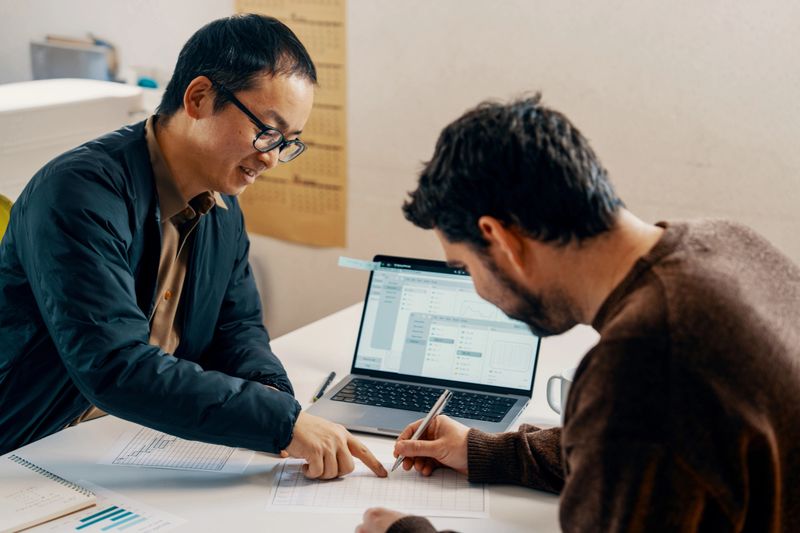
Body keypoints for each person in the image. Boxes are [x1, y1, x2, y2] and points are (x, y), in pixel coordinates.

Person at [357, 95, 800, 532]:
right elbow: (635, 448)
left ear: (500, 239)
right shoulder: (729, 241)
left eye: (465, 267)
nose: (475, 288)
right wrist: (484, 451)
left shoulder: (647, 356)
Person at [0, 14, 386, 481]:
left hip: (130, 437)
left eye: (288, 143)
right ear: (199, 98)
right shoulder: (78, 194)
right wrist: (280, 424)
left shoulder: (222, 204)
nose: (270, 159)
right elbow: (114, 366)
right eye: (267, 131)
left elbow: (236, 328)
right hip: (32, 446)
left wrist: (278, 402)